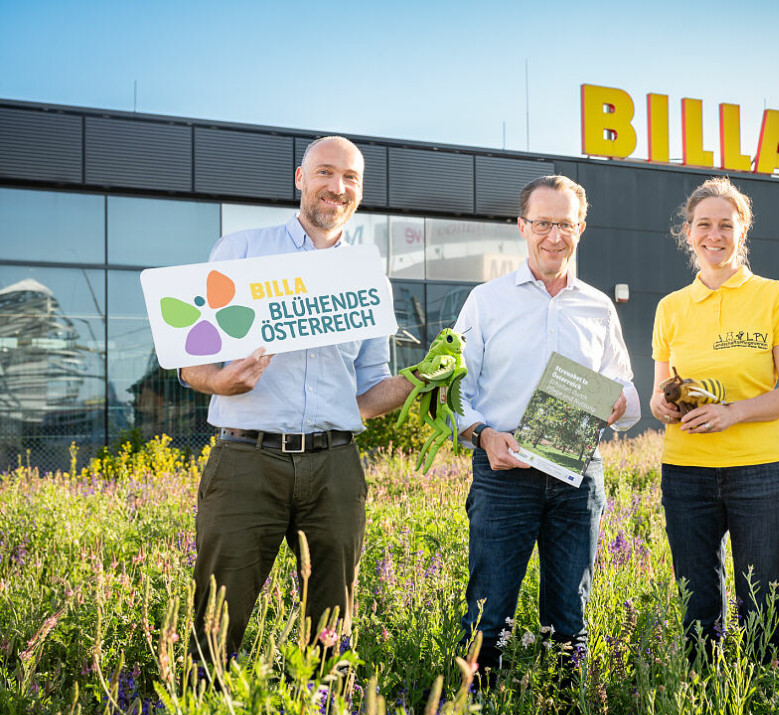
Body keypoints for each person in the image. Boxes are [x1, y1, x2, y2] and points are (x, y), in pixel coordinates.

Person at [182, 136, 416, 665]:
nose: (337, 188)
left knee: (332, 626)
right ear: (300, 179)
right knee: (216, 622)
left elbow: (367, 393)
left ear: (359, 190)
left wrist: (422, 381)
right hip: (247, 461)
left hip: (334, 466)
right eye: (325, 173)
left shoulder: (367, 279)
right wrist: (219, 383)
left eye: (350, 178)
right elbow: (190, 361)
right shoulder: (242, 251)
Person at [453, 175, 640, 677]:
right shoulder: (486, 301)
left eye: (565, 224)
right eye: (542, 223)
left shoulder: (598, 306)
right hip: (503, 474)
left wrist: (619, 403)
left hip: (576, 477)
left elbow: (624, 385)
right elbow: (451, 392)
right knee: (488, 616)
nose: (553, 236)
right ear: (522, 227)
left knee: (570, 618)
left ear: (581, 228)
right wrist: (482, 434)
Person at [649, 177, 779, 663]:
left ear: (743, 231)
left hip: (761, 472)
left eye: (725, 225)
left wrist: (732, 413)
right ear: (689, 232)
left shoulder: (774, 297)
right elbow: (661, 392)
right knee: (697, 609)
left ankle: (764, 704)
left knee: (761, 605)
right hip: (686, 473)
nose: (713, 235)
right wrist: (662, 406)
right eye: (703, 225)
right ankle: (705, 704)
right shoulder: (670, 308)